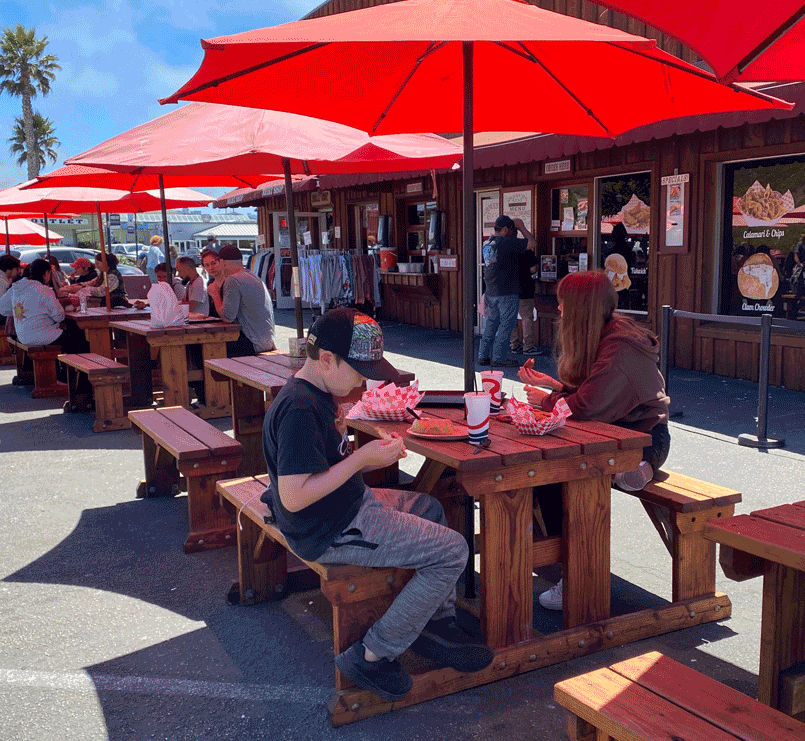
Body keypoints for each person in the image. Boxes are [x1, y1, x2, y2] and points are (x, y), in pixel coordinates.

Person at [262, 308, 492, 699]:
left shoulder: (314, 391)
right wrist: (363, 459)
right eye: (359, 370)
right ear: (328, 359)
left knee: (432, 509)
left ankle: (433, 622)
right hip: (329, 529)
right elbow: (295, 496)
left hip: (345, 507)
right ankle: (372, 655)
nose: (364, 380)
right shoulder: (301, 407)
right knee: (454, 550)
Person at [519, 270, 670, 611]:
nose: (558, 308)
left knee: (558, 473)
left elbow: (586, 406)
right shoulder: (608, 332)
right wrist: (554, 386)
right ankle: (567, 569)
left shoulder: (619, 343)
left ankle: (576, 577)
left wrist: (546, 401)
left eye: (563, 302)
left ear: (580, 307)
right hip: (612, 432)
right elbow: (591, 395)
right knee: (547, 474)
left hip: (643, 438)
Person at [0, 258, 87, 353]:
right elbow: (59, 317)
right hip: (43, 336)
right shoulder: (44, 290)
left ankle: (63, 367)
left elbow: (0, 307)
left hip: (22, 336)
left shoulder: (16, 287)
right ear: (46, 274)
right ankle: (74, 366)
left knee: (72, 335)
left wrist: (18, 310)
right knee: (79, 339)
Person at [478, 215, 534, 368]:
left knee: (491, 324)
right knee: (506, 325)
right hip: (507, 290)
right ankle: (499, 357)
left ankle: (483, 355)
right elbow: (532, 243)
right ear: (504, 229)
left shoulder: (487, 243)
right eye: (510, 230)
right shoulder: (506, 242)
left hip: (491, 290)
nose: (512, 233)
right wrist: (522, 227)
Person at [209, 244, 275, 356]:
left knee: (207, 347)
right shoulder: (252, 276)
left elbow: (228, 317)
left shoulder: (233, 280)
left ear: (223, 263)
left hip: (253, 343)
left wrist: (215, 293)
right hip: (267, 341)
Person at [510, 228, 540, 355]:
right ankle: (528, 346)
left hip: (508, 288)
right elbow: (533, 269)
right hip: (524, 287)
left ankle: (514, 345)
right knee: (526, 317)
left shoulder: (504, 250)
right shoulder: (525, 250)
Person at [199, 247, 222, 317]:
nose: (211, 268)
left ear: (220, 262)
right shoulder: (210, 283)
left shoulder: (229, 281)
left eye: (213, 263)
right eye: (207, 265)